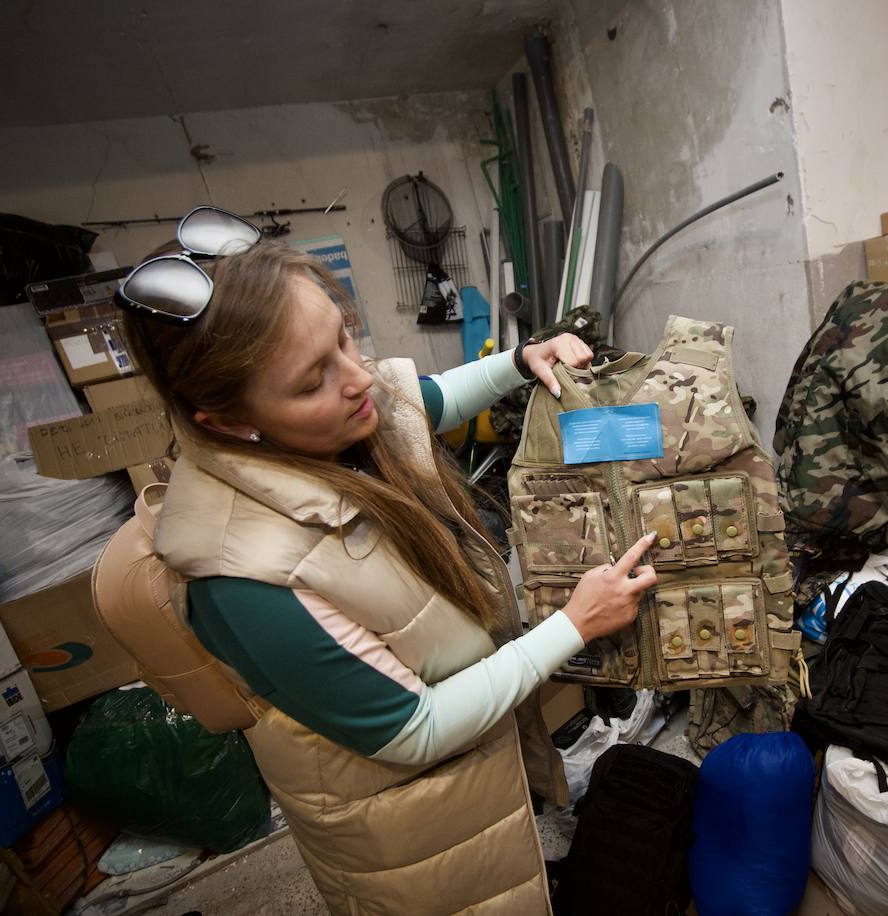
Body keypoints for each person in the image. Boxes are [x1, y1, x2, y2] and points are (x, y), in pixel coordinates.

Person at [116, 207, 657, 915]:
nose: (358, 381)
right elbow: (413, 731)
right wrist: (573, 627)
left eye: (345, 341)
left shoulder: (344, 416)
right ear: (226, 421)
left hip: (486, 773)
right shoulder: (242, 579)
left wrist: (520, 362)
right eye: (312, 381)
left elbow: (420, 403)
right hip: (412, 831)